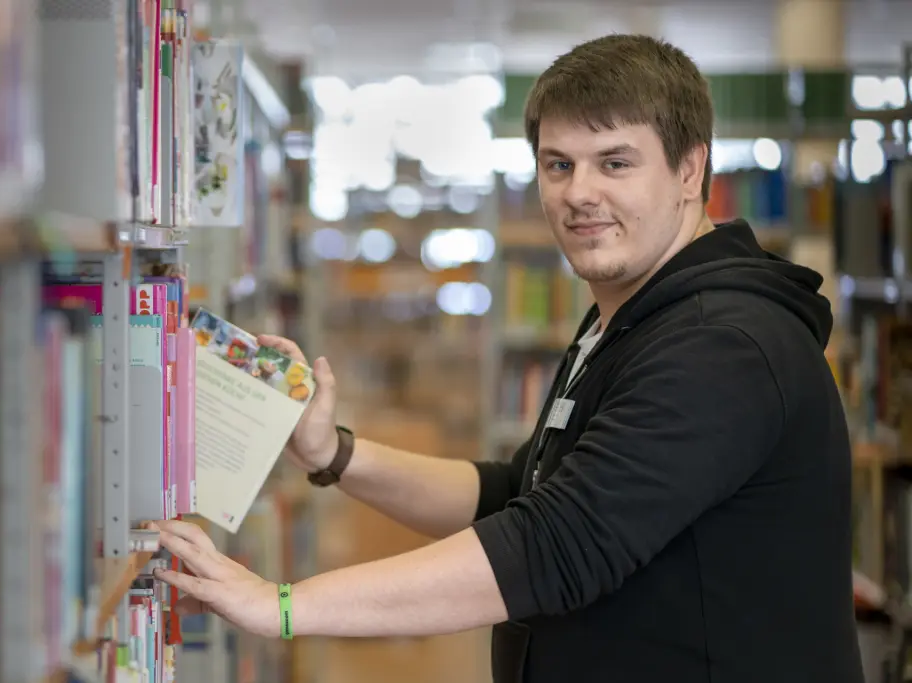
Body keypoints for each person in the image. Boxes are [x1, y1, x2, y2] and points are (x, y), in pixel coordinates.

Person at [152, 34, 865, 683]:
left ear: (689, 170)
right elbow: (516, 494)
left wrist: (281, 605)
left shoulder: (722, 345)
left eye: (615, 162)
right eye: (559, 165)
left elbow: (554, 544)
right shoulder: (629, 320)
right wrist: (334, 453)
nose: (579, 193)